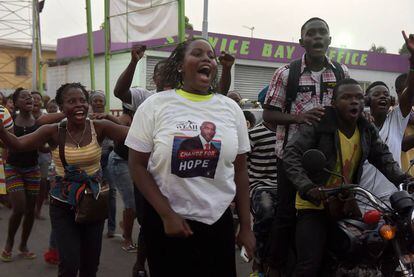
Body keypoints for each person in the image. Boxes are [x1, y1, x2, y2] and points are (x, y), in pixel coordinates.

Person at [125, 38, 255, 277]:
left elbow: (240, 171)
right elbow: (137, 165)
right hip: (168, 224)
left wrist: (246, 226)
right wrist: (167, 214)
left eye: (211, 56)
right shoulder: (155, 105)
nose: (207, 59)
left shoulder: (230, 109)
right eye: (197, 53)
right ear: (180, 66)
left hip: (217, 223)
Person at [282, 78, 412, 276]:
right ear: (334, 103)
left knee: (363, 253)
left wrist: (404, 179)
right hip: (314, 205)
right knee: (310, 264)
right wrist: (308, 187)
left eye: (359, 97)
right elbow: (291, 155)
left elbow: (383, 157)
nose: (354, 102)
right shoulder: (320, 124)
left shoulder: (365, 128)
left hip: (345, 203)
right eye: (347, 97)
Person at [0, 82, 128, 276]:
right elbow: (18, 144)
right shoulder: (52, 131)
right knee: (69, 263)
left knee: (90, 264)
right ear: (61, 107)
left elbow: (134, 136)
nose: (79, 105)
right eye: (71, 101)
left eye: (83, 101)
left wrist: (111, 116)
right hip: (63, 204)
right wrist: (1, 131)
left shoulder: (99, 127)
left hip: (93, 201)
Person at [262, 17, 348, 274]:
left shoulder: (342, 73)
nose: (317, 38)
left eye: (323, 33)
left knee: (326, 214)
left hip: (328, 160)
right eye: (311, 33)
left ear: (330, 40)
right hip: (291, 159)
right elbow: (268, 116)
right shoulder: (286, 73)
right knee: (286, 215)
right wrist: (298, 118)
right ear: (302, 42)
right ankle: (273, 267)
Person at [358, 31, 414, 213]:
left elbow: (409, 94)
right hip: (362, 200)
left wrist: (413, 63)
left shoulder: (397, 120)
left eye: (385, 94)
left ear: (391, 99)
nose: (382, 96)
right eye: (376, 94)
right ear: (367, 100)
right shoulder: (358, 123)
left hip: (394, 201)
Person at [0, 88, 41, 262]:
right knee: (19, 207)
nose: (29, 99)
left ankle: (23, 245)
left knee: (30, 210)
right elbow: (4, 142)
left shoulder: (39, 122)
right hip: (13, 168)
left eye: (30, 97)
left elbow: (44, 145)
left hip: (33, 168)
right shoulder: (10, 121)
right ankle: (9, 243)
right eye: (24, 97)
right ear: (15, 103)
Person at [247, 96, 277, 276]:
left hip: (285, 186)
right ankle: (257, 260)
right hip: (260, 185)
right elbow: (242, 165)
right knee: (266, 213)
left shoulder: (290, 133)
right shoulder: (254, 134)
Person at [106, 105, 138, 253]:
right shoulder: (125, 118)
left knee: (138, 201)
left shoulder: (144, 115)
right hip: (120, 162)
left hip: (135, 163)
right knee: (131, 202)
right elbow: (122, 128)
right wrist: (108, 117)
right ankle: (127, 239)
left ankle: (125, 225)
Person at [88, 90, 116, 238]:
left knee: (111, 193)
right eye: (95, 100)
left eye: (101, 101)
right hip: (92, 161)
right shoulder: (86, 118)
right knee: (93, 193)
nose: (98, 103)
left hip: (107, 159)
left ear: (104, 103)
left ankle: (111, 227)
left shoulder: (109, 117)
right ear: (91, 103)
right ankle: (92, 224)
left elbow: (118, 133)